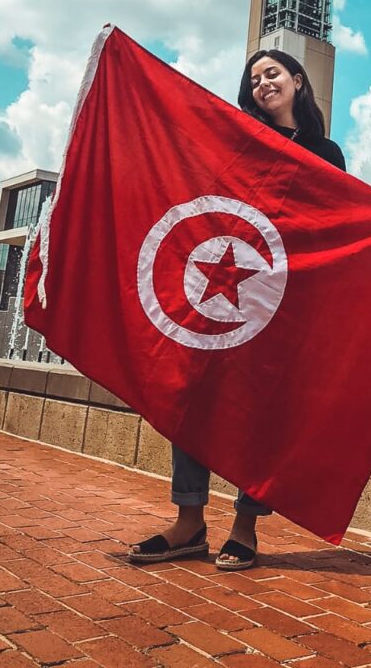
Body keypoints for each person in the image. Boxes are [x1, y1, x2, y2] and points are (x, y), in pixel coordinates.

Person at [129, 49, 346, 570]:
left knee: (264, 410)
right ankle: (189, 521)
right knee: (194, 397)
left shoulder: (327, 151)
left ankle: (245, 527)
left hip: (282, 298)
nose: (262, 83)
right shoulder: (235, 138)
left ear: (298, 80)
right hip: (219, 287)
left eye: (272, 73)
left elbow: (338, 220)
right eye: (253, 79)